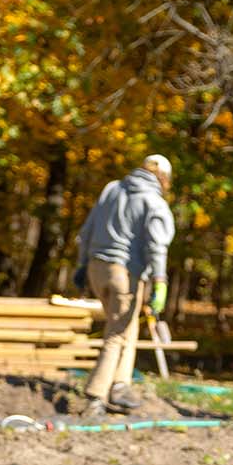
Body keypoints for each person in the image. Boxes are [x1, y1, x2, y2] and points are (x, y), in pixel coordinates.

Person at [74, 154, 175, 416]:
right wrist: (160, 281)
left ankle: (120, 386)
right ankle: (96, 395)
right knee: (117, 333)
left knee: (127, 328)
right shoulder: (154, 202)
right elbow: (157, 246)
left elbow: (86, 232)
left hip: (97, 268)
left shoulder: (112, 189)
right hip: (125, 274)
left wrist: (82, 265)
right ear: (163, 177)